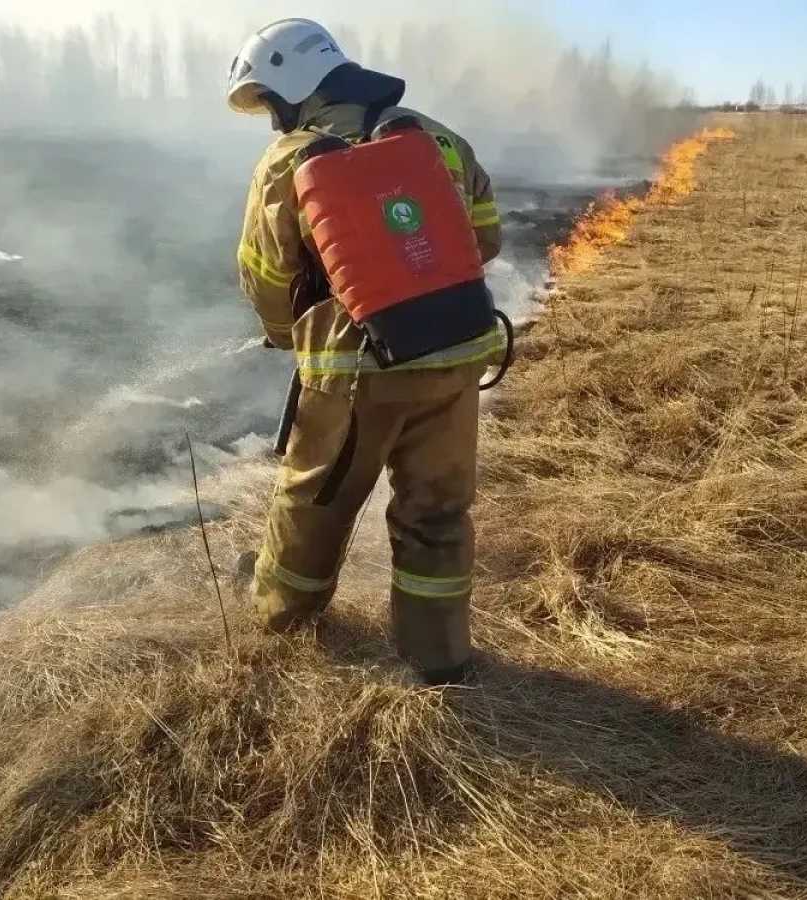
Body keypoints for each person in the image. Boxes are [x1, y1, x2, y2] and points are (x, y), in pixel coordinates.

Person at [227, 18, 505, 685]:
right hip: (456, 351)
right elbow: (485, 239)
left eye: (270, 100)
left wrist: (287, 336)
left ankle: (281, 620)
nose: (272, 117)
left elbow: (265, 274)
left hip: (355, 372)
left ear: (293, 83)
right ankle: (437, 654)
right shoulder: (437, 137)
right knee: (436, 507)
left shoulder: (288, 160)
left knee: (315, 503)